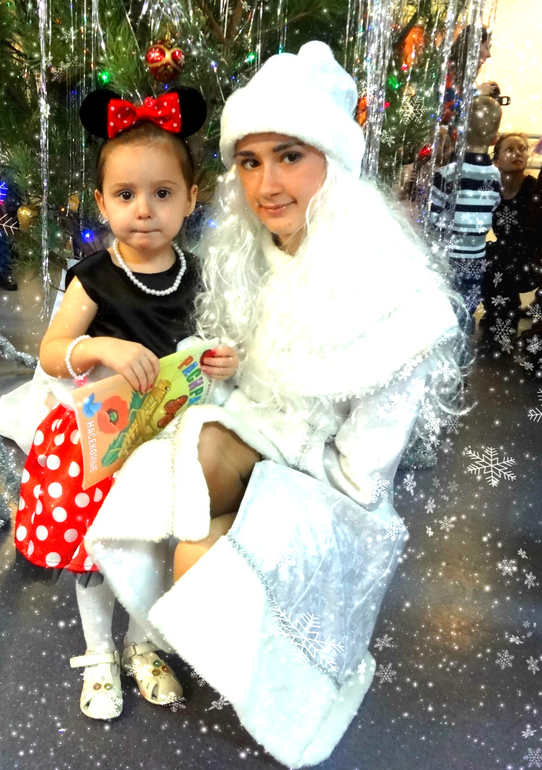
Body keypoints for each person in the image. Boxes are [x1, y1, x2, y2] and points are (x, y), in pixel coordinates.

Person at [85, 42, 465, 768]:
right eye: (250, 161)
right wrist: (222, 374)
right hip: (264, 444)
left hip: (335, 494)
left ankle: (243, 652)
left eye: (289, 156)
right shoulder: (259, 253)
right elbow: (251, 388)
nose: (266, 184)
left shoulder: (397, 298)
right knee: (185, 479)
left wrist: (264, 459)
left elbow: (360, 479)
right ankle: (162, 624)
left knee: (198, 539)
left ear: (334, 161)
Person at [14, 86, 237, 721]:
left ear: (191, 198)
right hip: (101, 439)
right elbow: (51, 352)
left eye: (162, 193)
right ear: (102, 202)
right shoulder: (94, 277)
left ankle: (143, 643)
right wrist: (99, 346)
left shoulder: (198, 276)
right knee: (97, 549)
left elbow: (213, 342)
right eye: (125, 195)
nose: (144, 210)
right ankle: (98, 651)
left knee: (156, 543)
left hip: (171, 436)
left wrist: (222, 360)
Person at [430, 95, 502, 318]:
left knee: (444, 303)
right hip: (476, 254)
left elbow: (432, 217)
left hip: (447, 255)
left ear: (459, 133)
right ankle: (465, 330)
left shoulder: (447, 174)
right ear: (495, 139)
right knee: (468, 302)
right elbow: (493, 207)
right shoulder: (495, 176)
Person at [480, 134, 542, 333]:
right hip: (503, 255)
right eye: (510, 150)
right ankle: (498, 311)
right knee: (485, 253)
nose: (517, 154)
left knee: (501, 256)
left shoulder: (535, 190)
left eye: (522, 149)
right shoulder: (491, 191)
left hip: (532, 258)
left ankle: (507, 314)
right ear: (496, 161)